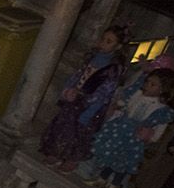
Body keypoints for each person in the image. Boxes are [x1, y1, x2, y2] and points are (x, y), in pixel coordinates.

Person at [39, 26, 128, 171]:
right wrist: (68, 89)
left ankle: (72, 159)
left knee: (80, 132)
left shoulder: (113, 68)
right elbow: (78, 74)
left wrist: (88, 106)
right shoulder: (92, 57)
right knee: (63, 126)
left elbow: (105, 92)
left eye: (109, 41)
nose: (103, 43)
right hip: (75, 98)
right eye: (103, 39)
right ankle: (56, 152)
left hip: (91, 104)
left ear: (117, 46)